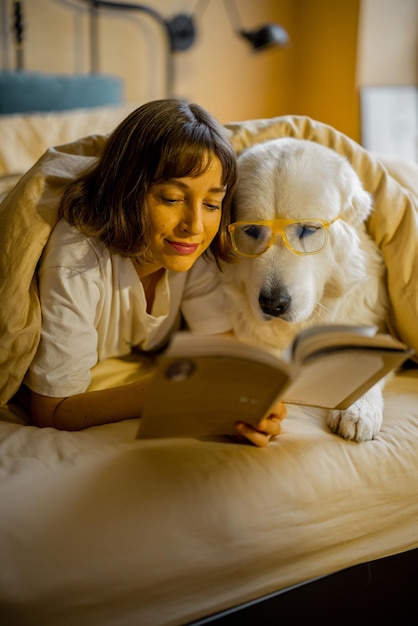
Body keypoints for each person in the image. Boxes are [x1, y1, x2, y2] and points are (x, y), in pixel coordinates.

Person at [26, 98, 286, 446]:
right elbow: (50, 410)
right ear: (128, 191)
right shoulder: (77, 260)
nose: (194, 225)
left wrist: (245, 401)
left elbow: (220, 345)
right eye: (172, 198)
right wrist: (164, 393)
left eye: (211, 204)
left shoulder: (196, 251)